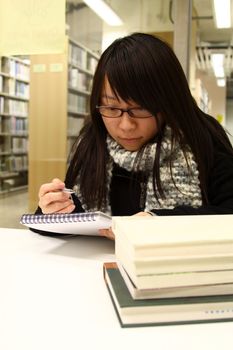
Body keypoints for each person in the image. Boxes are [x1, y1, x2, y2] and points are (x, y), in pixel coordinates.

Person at [36, 32, 233, 240]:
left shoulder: (202, 137)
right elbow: (78, 217)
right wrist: (52, 210)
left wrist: (158, 221)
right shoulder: (93, 140)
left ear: (169, 103)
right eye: (111, 108)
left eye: (141, 108)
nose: (126, 125)